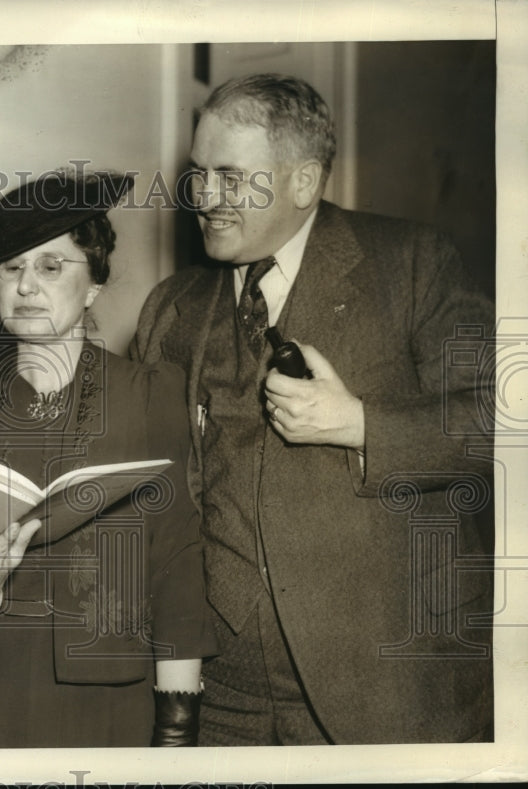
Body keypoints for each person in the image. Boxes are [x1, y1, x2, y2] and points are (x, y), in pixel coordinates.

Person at [131, 73, 494, 745]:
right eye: (198, 174)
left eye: (231, 177)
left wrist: (361, 423)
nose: (203, 197)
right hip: (221, 697)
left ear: (302, 183)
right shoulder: (169, 310)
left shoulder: (412, 264)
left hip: (383, 692)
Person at [0, 171, 218, 747]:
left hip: (107, 705)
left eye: (51, 267)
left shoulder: (149, 395)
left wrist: (177, 731)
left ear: (94, 284)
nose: (26, 287)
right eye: (11, 267)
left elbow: (176, 565)